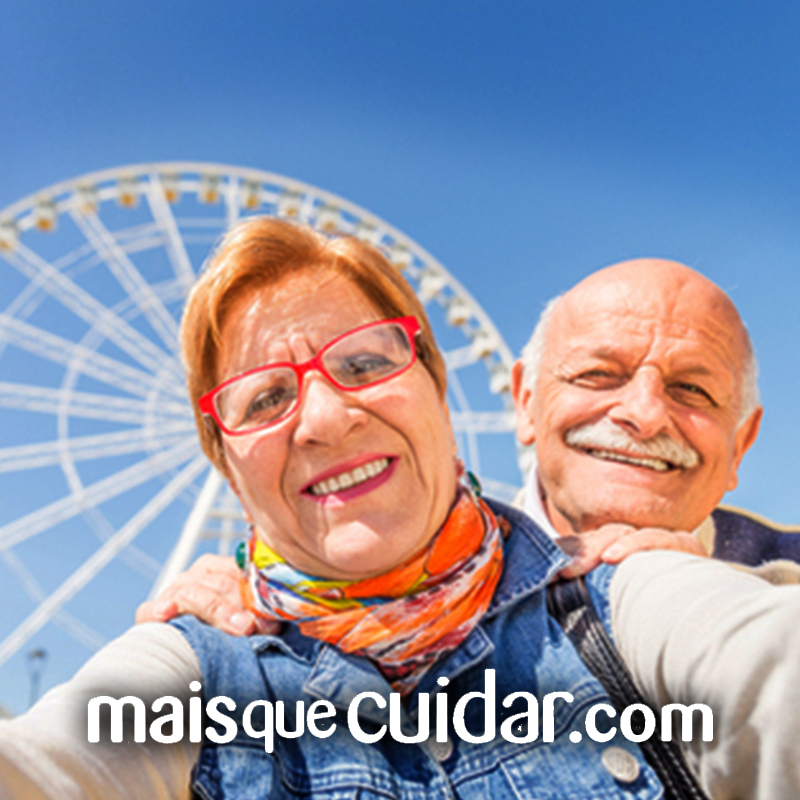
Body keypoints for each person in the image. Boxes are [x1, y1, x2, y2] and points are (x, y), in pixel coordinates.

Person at [0, 218, 683, 799]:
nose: (325, 419)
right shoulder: (195, 675)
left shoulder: (620, 604)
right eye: (265, 399)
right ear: (229, 470)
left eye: (363, 364)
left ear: (438, 388)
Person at [509, 257, 800, 579]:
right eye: (598, 373)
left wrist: (718, 596)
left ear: (740, 443)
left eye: (692, 389)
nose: (643, 415)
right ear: (526, 402)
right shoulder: (460, 569)